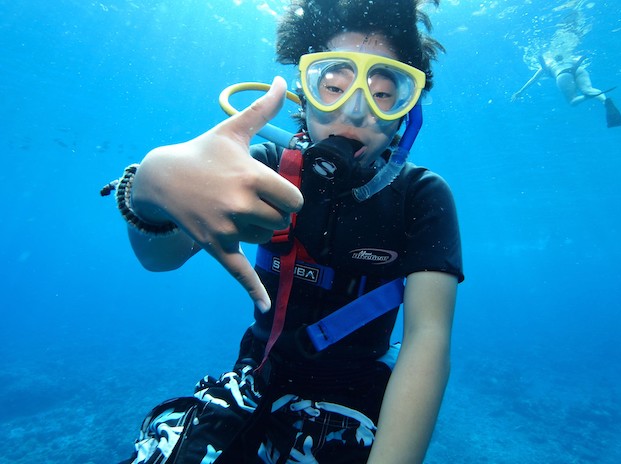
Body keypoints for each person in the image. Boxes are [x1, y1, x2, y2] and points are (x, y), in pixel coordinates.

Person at [109, 1, 463, 462]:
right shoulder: (262, 171)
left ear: (406, 110)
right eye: (333, 86)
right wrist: (146, 194)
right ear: (306, 91)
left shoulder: (421, 196)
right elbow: (159, 258)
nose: (354, 112)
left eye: (381, 94)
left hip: (355, 396)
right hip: (254, 379)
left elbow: (427, 341)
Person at [511, 51, 621, 128]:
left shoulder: (548, 64)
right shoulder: (569, 58)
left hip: (562, 75)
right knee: (588, 88)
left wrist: (520, 91)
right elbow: (581, 59)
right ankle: (604, 101)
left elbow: (533, 79)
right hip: (579, 69)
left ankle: (587, 97)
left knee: (572, 101)